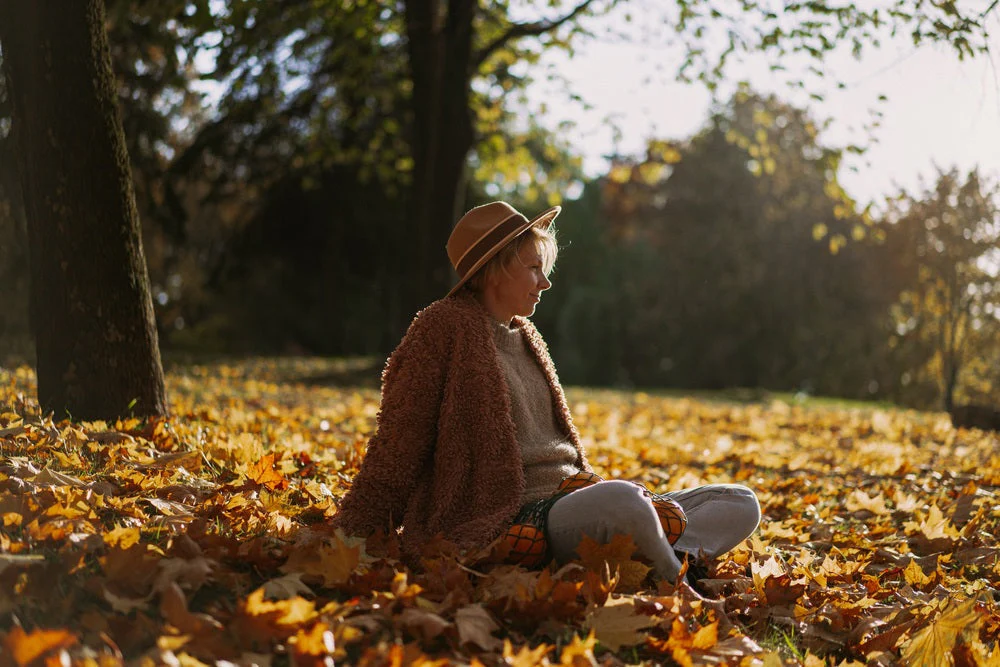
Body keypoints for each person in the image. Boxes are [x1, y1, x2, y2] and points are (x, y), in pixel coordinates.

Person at [333, 201, 760, 588]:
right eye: (534, 268)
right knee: (623, 501)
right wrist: (346, 535)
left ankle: (638, 553)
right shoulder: (442, 328)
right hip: (510, 517)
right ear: (496, 269)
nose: (545, 282)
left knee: (740, 502)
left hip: (575, 498)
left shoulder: (528, 336)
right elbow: (398, 446)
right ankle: (674, 583)